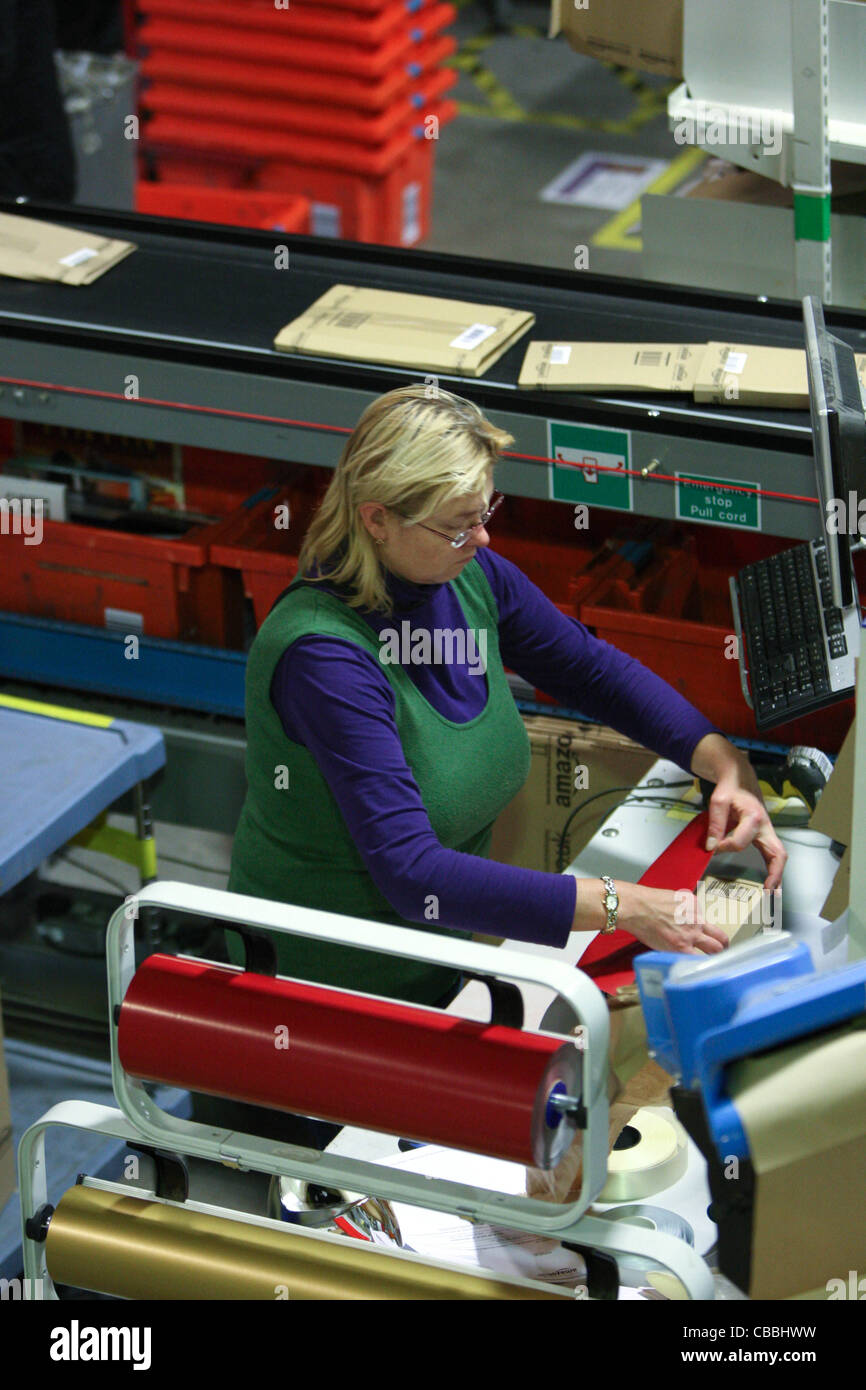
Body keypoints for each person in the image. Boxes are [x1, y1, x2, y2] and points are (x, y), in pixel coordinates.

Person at [226, 384, 787, 1018]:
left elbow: (591, 669)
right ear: (376, 518)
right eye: (458, 525)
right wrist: (622, 906)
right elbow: (415, 875)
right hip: (312, 996)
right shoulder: (325, 659)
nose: (483, 540)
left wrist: (723, 764)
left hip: (437, 972)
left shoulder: (466, 578)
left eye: (484, 512)